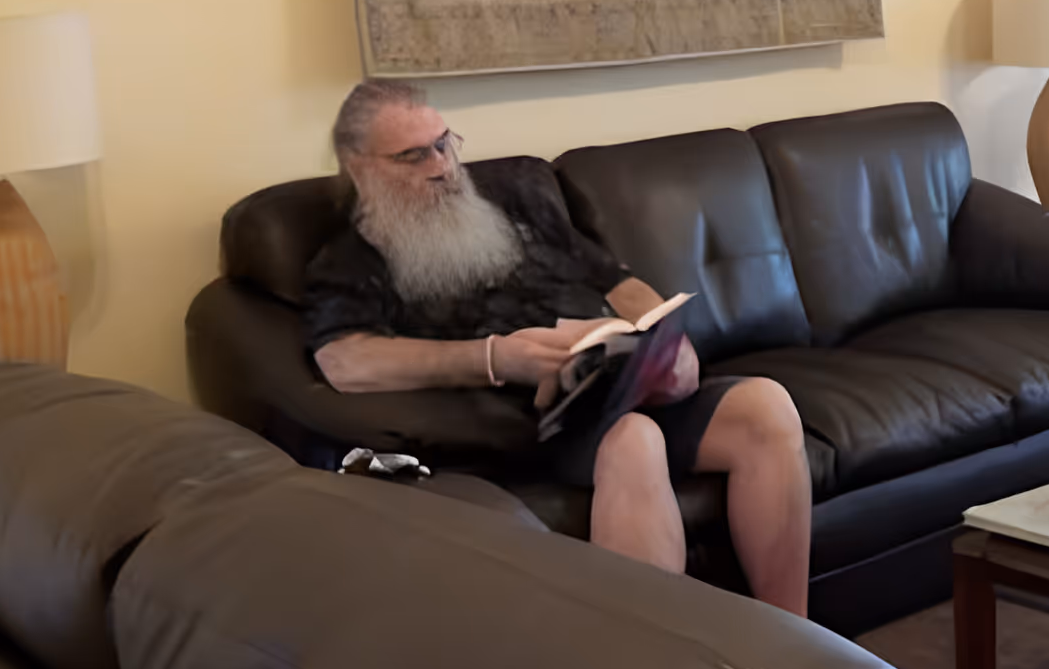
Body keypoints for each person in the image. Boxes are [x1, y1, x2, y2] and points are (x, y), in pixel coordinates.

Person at [304, 80, 812, 617]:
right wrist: (496, 358)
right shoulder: (349, 260)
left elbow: (616, 280)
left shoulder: (511, 201)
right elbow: (344, 360)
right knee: (634, 437)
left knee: (765, 404)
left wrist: (664, 338)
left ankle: (798, 641)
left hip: (617, 381)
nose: (442, 167)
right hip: (533, 424)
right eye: (413, 156)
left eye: (444, 143)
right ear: (359, 167)